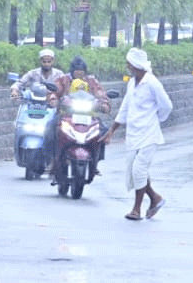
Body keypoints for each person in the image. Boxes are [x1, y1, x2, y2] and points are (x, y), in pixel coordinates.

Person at [104, 47, 172, 221]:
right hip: (134, 134)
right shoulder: (131, 83)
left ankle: (136, 209)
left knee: (139, 170)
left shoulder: (152, 83)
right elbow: (125, 108)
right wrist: (111, 131)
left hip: (149, 134)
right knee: (134, 171)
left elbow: (167, 106)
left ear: (136, 65)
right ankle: (155, 198)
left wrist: (156, 120)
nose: (127, 66)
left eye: (129, 63)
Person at [44, 56, 112, 182]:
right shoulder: (63, 80)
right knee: (50, 128)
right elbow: (53, 92)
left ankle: (95, 160)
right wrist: (54, 100)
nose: (79, 73)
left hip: (89, 116)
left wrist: (104, 104)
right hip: (66, 115)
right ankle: (52, 160)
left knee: (103, 131)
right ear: (72, 71)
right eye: (77, 71)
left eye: (81, 71)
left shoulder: (91, 81)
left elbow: (101, 94)